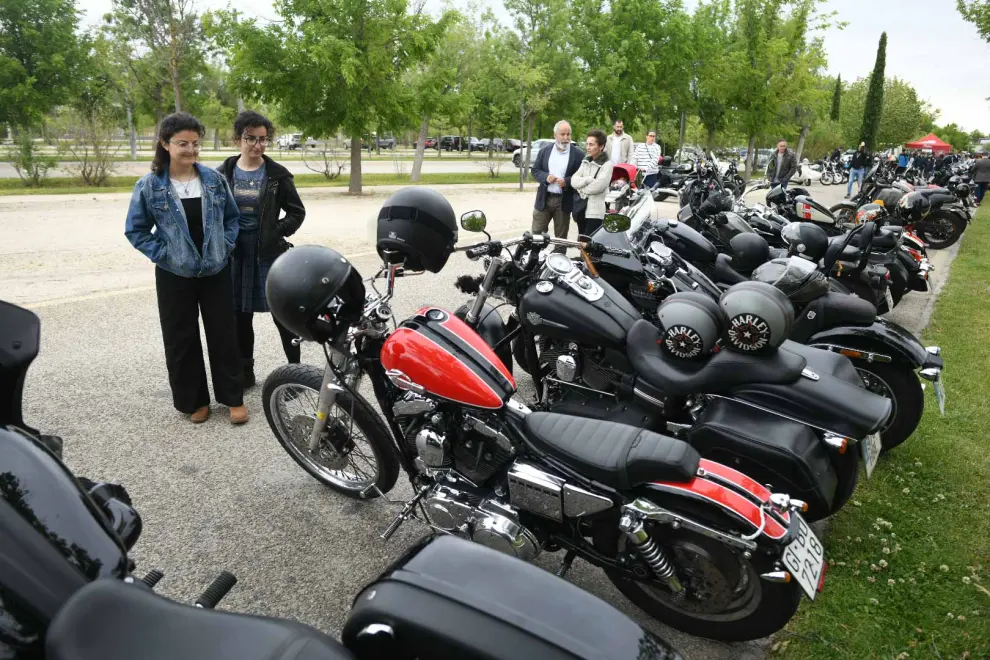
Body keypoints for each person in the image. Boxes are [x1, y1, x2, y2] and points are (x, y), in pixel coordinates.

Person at [124, 112, 247, 425]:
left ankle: (232, 398)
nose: (191, 150)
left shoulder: (214, 181)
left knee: (224, 334)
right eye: (183, 143)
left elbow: (232, 220)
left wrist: (225, 246)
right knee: (181, 338)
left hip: (216, 271)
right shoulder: (150, 186)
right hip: (174, 274)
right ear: (165, 144)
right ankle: (194, 401)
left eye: (195, 143)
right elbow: (136, 230)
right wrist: (164, 254)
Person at [216, 111, 307, 388]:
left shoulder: (278, 175)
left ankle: (296, 375)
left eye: (263, 140)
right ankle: (246, 372)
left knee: (283, 316)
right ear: (237, 139)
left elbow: (297, 212)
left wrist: (273, 232)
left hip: (267, 253)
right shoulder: (223, 173)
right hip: (235, 254)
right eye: (250, 139)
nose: (257, 145)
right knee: (240, 316)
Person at [531, 120, 585, 249]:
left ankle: (558, 265)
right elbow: (535, 171)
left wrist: (566, 181)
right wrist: (546, 177)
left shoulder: (578, 155)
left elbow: (582, 176)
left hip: (563, 201)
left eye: (568, 134)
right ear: (555, 135)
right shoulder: (545, 151)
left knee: (560, 240)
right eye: (562, 134)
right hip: (544, 199)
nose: (566, 138)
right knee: (536, 235)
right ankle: (534, 262)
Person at [571, 130, 614, 236]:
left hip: (595, 213)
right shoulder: (585, 161)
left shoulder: (607, 165)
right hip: (581, 210)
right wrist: (588, 180)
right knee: (581, 242)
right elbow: (573, 181)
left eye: (591, 144)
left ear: (601, 146)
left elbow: (598, 187)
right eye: (587, 144)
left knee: (589, 244)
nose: (588, 147)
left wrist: (580, 189)